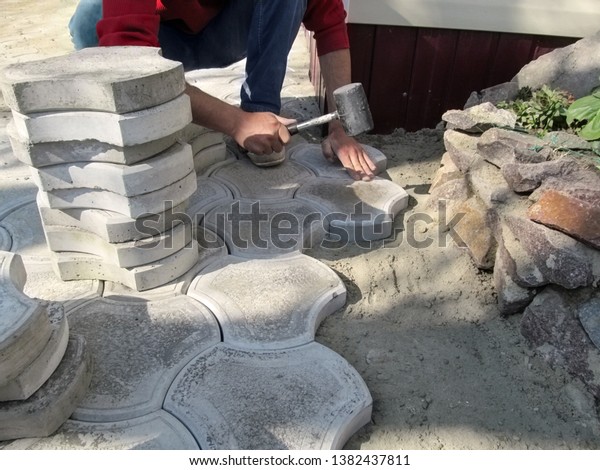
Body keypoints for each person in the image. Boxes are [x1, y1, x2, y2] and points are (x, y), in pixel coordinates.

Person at [69, 0, 377, 180]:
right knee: (88, 23)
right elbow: (130, 65)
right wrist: (235, 123)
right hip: (164, 41)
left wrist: (340, 126)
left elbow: (330, 25)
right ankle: (248, 123)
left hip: (226, 32)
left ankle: (261, 111)